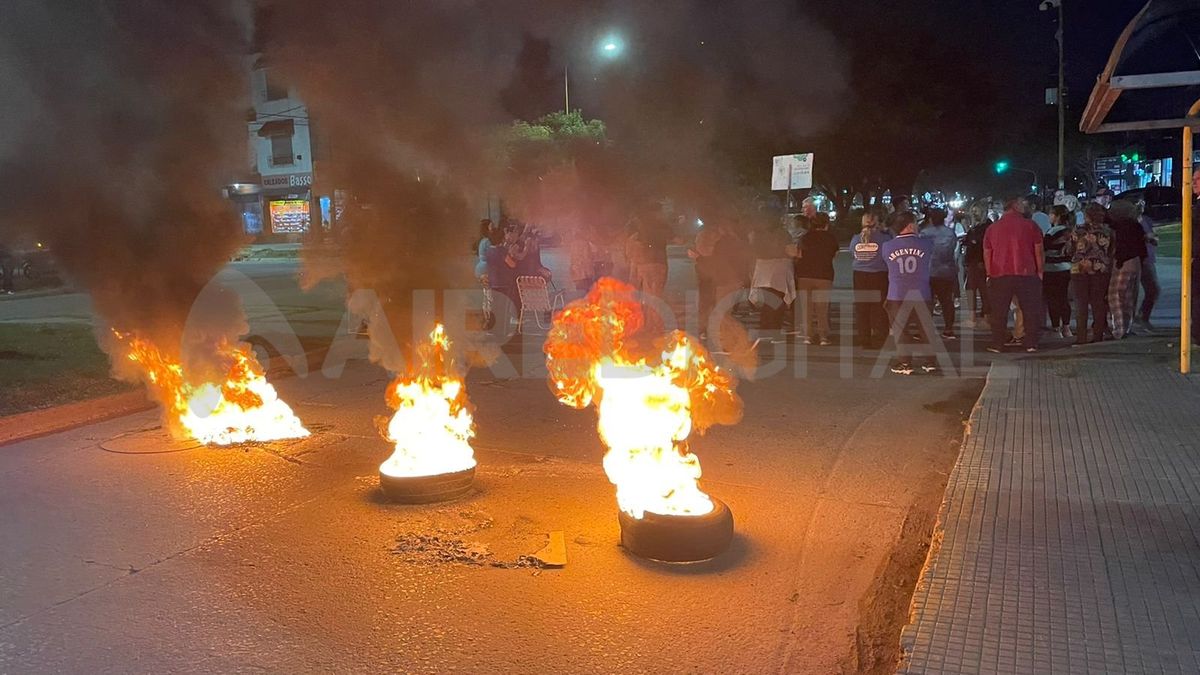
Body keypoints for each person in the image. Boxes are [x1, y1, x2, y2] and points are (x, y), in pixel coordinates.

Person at [984, 196, 1044, 353]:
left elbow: (987, 253)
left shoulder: (992, 228)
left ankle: (998, 343)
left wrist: (989, 273)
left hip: (1000, 274)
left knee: (999, 311)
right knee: (1029, 310)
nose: (1025, 206)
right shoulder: (1031, 225)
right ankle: (1031, 343)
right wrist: (1040, 271)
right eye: (1022, 203)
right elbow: (1038, 251)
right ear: (1015, 205)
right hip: (1026, 273)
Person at [882, 211, 936, 374]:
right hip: (922, 292)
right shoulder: (926, 244)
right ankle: (930, 361)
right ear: (910, 225)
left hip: (897, 294)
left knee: (901, 329)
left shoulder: (887, 246)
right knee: (926, 328)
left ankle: (905, 363)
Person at [1070, 204, 1115, 346]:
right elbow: (1112, 251)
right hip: (1100, 270)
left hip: (1080, 269)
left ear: (1087, 215)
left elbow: (1070, 248)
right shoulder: (1108, 231)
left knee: (1081, 303)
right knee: (1098, 303)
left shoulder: (1079, 230)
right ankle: (1098, 335)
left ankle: (1081, 337)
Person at [793, 212, 839, 345]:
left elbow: (798, 255)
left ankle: (808, 336)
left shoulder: (805, 237)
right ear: (826, 224)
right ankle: (823, 337)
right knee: (822, 308)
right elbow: (835, 255)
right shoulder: (831, 238)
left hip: (804, 275)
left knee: (806, 308)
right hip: (824, 275)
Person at [849, 207, 893, 348]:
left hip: (860, 276)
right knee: (879, 308)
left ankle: (864, 339)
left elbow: (852, 253)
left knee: (862, 309)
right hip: (879, 275)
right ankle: (880, 338)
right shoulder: (884, 238)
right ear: (878, 223)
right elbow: (889, 256)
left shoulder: (856, 239)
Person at [1106, 199, 1147, 339]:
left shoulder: (1121, 226)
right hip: (1136, 262)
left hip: (1124, 262)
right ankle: (1127, 327)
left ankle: (1119, 329)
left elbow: (1122, 247)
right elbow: (1142, 248)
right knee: (1129, 297)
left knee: (1115, 295)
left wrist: (1118, 262)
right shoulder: (1136, 225)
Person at [919, 208, 959, 340]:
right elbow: (953, 251)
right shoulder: (950, 233)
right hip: (946, 271)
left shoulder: (924, 233)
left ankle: (925, 329)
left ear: (930, 219)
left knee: (927, 302)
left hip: (927, 271)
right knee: (946, 301)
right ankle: (948, 329)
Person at [749, 221, 795, 332]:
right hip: (780, 268)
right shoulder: (783, 234)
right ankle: (774, 326)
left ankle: (765, 324)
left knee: (767, 299)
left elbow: (752, 251)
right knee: (778, 299)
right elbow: (790, 251)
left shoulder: (758, 234)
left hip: (763, 269)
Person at [1043, 205, 1074, 339]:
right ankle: (1066, 327)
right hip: (1066, 268)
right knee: (1063, 298)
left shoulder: (1053, 232)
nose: (1049, 217)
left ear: (1057, 216)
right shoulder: (1070, 231)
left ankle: (1056, 328)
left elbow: (1044, 247)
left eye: (1051, 214)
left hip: (1051, 269)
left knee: (1052, 299)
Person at [961, 207, 992, 325]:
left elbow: (978, 243)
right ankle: (980, 316)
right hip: (975, 261)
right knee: (975, 289)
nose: (974, 213)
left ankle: (980, 317)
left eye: (976, 210)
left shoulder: (984, 227)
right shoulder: (977, 227)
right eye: (972, 211)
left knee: (977, 290)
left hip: (979, 262)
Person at [1136, 202, 1160, 330]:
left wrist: (1152, 238)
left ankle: (1143, 316)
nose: (1140, 206)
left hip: (1148, 259)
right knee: (1150, 289)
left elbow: (1155, 238)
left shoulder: (1147, 220)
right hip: (1138, 259)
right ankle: (1139, 318)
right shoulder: (1131, 222)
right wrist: (1144, 237)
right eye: (1137, 204)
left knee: (1154, 290)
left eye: (1142, 204)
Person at [569, 223, 600, 292]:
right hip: (585, 273)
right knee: (587, 292)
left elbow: (572, 258)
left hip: (576, 273)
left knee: (580, 292)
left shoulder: (572, 244)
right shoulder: (587, 243)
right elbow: (594, 254)